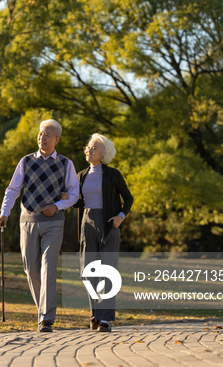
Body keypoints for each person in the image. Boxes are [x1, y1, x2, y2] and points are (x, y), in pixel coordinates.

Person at [0, 119, 79, 333]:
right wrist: (4, 213)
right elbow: (13, 190)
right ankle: (42, 308)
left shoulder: (65, 163)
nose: (42, 137)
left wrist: (57, 206)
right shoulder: (26, 161)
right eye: (41, 133)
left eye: (48, 134)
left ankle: (46, 317)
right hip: (28, 221)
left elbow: (74, 194)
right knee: (31, 269)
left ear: (57, 139)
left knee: (48, 267)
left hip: (54, 223)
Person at [75, 134, 133, 333]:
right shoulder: (80, 175)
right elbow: (77, 202)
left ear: (104, 153)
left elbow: (128, 198)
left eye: (95, 147)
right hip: (87, 224)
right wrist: (67, 197)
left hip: (109, 224)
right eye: (89, 146)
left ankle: (105, 320)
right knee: (87, 272)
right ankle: (95, 314)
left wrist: (121, 216)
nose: (89, 150)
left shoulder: (113, 174)